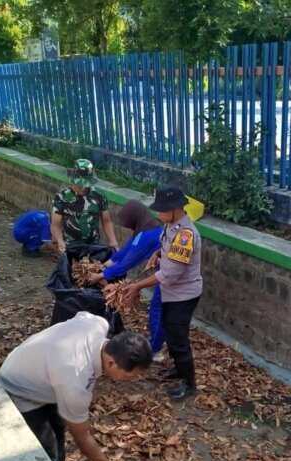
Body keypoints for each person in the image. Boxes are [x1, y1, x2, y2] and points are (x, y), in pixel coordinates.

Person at [0, 312, 152, 461]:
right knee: (45, 447)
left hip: (39, 372)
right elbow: (81, 436)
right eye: (129, 376)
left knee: (58, 426)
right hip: (18, 389)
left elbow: (81, 315)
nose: (131, 380)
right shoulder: (76, 380)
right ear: (111, 363)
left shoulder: (98, 324)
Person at [126, 187, 202, 401]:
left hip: (183, 295)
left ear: (176, 209)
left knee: (179, 340)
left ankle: (190, 385)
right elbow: (166, 247)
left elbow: (170, 274)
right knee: (170, 331)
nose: (158, 214)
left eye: (162, 210)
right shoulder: (170, 227)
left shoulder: (185, 235)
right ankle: (179, 370)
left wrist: (138, 286)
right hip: (172, 293)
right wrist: (157, 254)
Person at [87, 200, 165, 360]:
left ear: (134, 218)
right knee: (157, 308)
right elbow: (125, 252)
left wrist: (101, 276)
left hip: (167, 277)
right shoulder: (145, 227)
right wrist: (103, 266)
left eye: (128, 222)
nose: (128, 226)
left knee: (158, 308)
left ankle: (156, 350)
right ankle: (156, 342)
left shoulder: (148, 236)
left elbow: (127, 263)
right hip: (163, 274)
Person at [51, 158, 119, 257]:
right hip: (70, 245)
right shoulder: (62, 197)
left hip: (92, 244)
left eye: (86, 184)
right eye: (80, 185)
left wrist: (113, 242)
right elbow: (55, 224)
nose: (83, 188)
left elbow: (106, 221)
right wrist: (60, 241)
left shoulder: (98, 196)